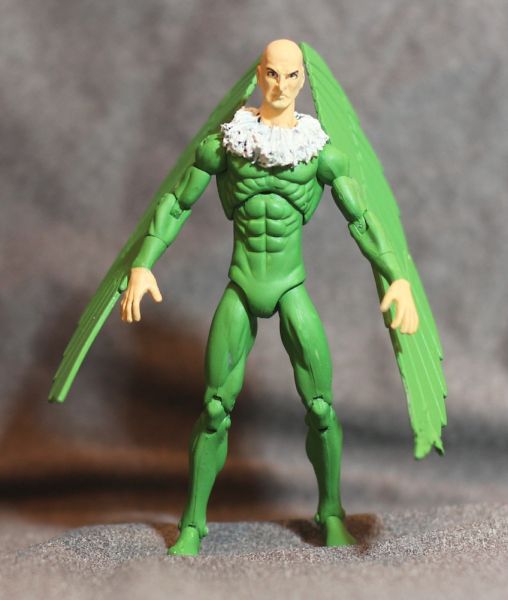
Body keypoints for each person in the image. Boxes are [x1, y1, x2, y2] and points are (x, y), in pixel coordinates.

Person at [119, 39, 419, 556]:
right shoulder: (225, 146)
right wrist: (143, 263)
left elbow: (363, 220)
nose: (280, 86)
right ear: (259, 75)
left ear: (304, 79)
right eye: (272, 74)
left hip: (290, 286)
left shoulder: (320, 154)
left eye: (291, 75)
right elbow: (177, 203)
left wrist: (397, 277)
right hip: (241, 283)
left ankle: (331, 512)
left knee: (321, 406)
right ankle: (192, 523)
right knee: (215, 407)